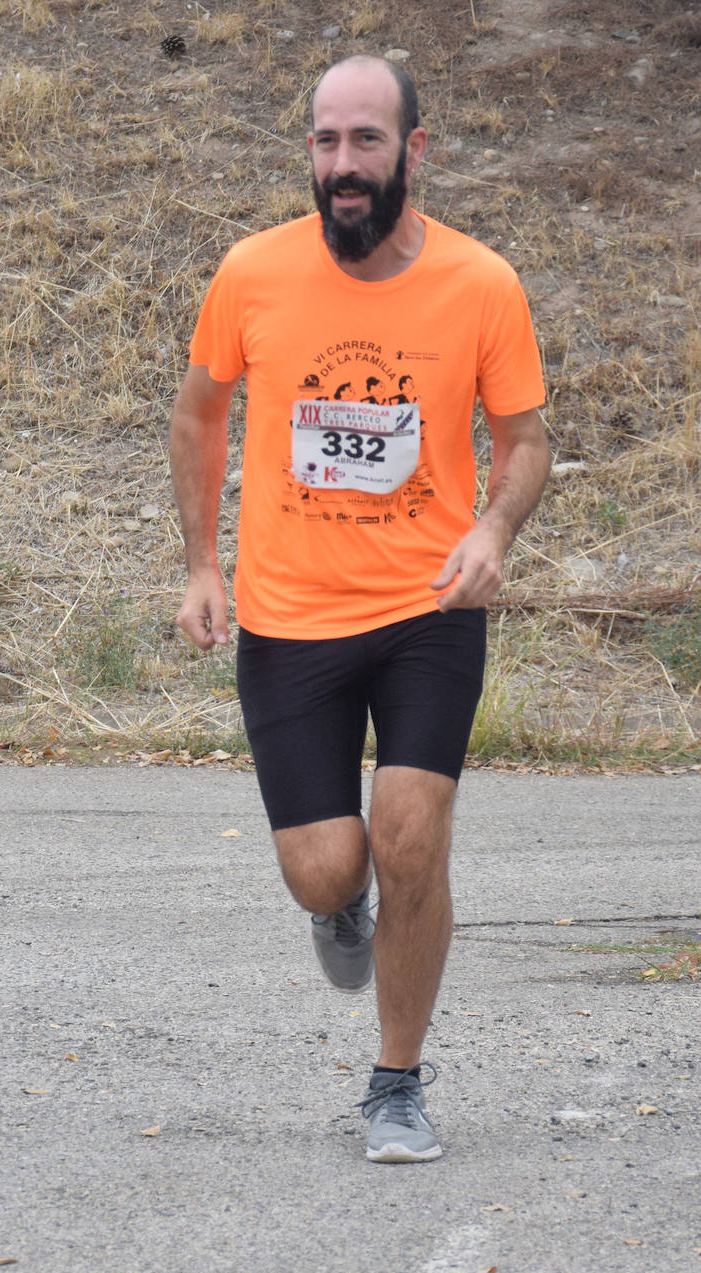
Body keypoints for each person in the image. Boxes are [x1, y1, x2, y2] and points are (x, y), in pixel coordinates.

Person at [169, 56, 550, 1162]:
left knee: (411, 837)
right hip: (289, 617)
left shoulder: (481, 284)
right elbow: (198, 417)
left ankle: (395, 1084)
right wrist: (203, 563)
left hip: (428, 608)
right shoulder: (253, 273)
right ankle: (342, 909)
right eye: (325, 142)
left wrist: (491, 532)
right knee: (327, 868)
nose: (342, 165)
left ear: (412, 153)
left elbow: (523, 442)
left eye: (365, 142)